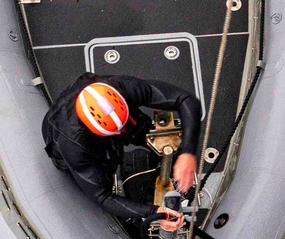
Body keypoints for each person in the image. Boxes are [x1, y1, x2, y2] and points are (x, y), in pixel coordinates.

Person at [42, 74, 200, 230]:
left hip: (100, 127)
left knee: (139, 129)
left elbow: (185, 99)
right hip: (79, 142)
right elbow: (102, 196)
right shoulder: (74, 148)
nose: (122, 132)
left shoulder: (123, 87)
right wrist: (154, 211)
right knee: (101, 179)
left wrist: (187, 153)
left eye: (123, 126)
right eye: (117, 131)